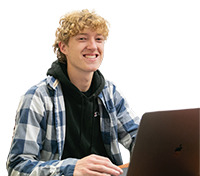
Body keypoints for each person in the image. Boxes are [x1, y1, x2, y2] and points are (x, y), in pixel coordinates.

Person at [7, 9, 141, 176]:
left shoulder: (111, 94)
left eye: (98, 39)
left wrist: (171, 149)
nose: (93, 46)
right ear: (63, 48)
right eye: (82, 38)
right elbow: (17, 167)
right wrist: (71, 169)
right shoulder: (38, 98)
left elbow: (139, 141)